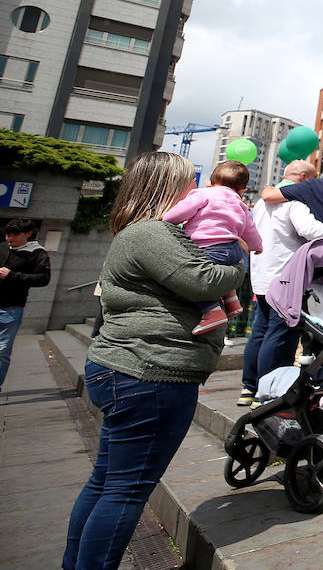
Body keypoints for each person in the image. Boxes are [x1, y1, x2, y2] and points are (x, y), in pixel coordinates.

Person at [63, 152, 243, 570]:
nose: (195, 191)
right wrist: (237, 255)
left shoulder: (140, 232)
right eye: (189, 182)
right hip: (151, 373)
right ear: (166, 188)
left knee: (107, 481)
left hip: (129, 368)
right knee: (126, 490)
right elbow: (205, 279)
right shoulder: (151, 234)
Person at [238, 159, 323, 406]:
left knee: (259, 332)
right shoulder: (294, 201)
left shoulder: (260, 203)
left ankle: (248, 388)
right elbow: (310, 229)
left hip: (261, 274)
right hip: (285, 275)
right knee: (280, 335)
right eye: (311, 180)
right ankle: (266, 391)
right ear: (302, 179)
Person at [159, 160, 264, 336]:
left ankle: (210, 310)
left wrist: (166, 219)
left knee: (193, 279)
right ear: (242, 190)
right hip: (233, 249)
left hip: (208, 248)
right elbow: (250, 230)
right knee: (221, 271)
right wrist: (257, 246)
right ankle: (231, 300)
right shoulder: (241, 205)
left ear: (211, 182)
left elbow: (180, 212)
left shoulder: (202, 194)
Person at [0, 217, 51, 389]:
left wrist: (13, 276)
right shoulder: (1, 247)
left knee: (2, 351)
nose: (9, 238)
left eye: (14, 235)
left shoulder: (37, 253)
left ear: (28, 234)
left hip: (11, 308)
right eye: (7, 234)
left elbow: (44, 278)